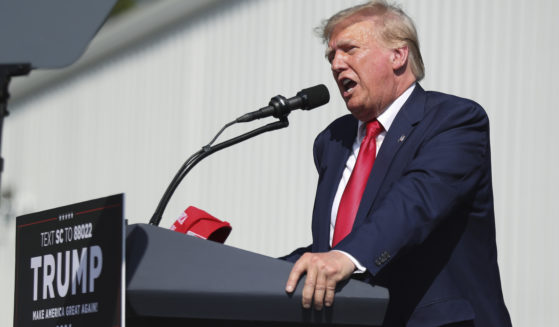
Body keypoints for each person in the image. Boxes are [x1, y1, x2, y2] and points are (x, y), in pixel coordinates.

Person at [281, 1, 512, 326]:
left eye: (349, 49)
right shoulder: (332, 141)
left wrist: (345, 257)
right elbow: (333, 246)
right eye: (331, 55)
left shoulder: (454, 121)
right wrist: (234, 268)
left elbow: (414, 204)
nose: (336, 64)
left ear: (398, 55)